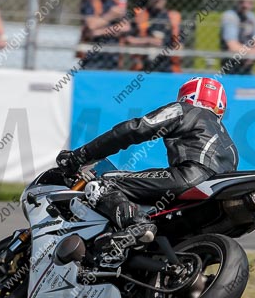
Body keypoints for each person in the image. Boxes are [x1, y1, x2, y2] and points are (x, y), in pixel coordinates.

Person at [56, 76, 238, 250]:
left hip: (187, 177)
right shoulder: (231, 145)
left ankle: (137, 225)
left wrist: (81, 155)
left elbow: (135, 129)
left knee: (104, 184)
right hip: (210, 202)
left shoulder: (184, 110)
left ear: (186, 96)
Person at [125, 0, 182, 72]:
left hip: (167, 67)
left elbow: (180, 45)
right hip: (142, 66)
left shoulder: (172, 17)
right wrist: (148, 41)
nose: (158, 1)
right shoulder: (140, 15)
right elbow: (127, 39)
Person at [78, 0, 130, 69]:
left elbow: (125, 28)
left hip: (113, 56)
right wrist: (110, 16)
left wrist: (99, 31)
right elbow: (91, 26)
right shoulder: (90, 1)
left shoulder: (118, 3)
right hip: (92, 56)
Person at [219, 0, 255, 75]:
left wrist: (252, 55)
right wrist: (251, 54)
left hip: (247, 67)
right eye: (242, 1)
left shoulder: (253, 18)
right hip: (230, 67)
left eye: (250, 2)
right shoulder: (230, 16)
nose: (245, 5)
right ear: (236, 0)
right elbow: (232, 46)